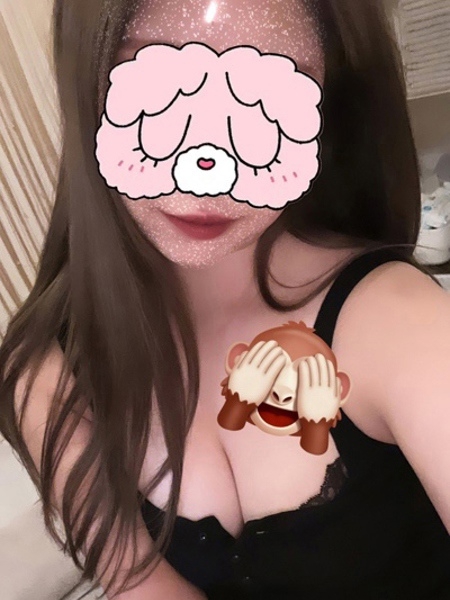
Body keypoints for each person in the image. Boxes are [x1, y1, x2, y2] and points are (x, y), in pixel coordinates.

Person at [0, 0, 449, 599]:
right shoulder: (45, 374)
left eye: (260, 107)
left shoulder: (399, 324)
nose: (206, 171)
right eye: (160, 97)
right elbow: (138, 585)